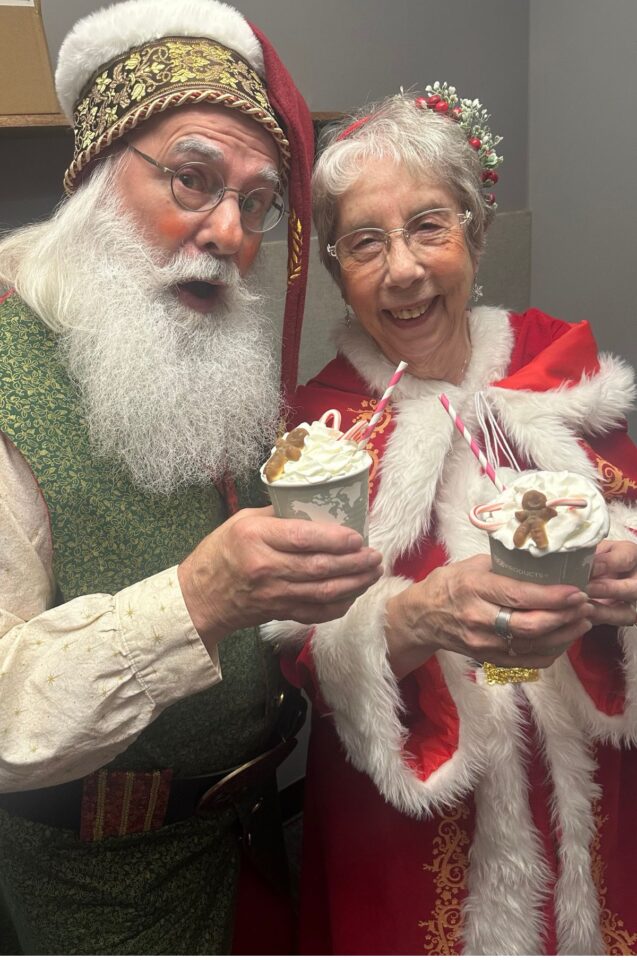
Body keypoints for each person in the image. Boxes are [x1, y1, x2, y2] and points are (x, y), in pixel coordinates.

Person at [0, 0, 383, 953]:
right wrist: (199, 597)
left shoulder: (205, 347)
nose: (226, 231)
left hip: (252, 841)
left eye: (255, 203)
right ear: (96, 171)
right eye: (191, 178)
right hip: (93, 891)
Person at [267, 84, 637, 955]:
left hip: (592, 787)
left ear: (474, 232)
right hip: (408, 821)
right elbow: (295, 646)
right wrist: (414, 617)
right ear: (336, 271)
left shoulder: (560, 368)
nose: (402, 270)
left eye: (428, 226)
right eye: (365, 243)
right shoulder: (318, 428)